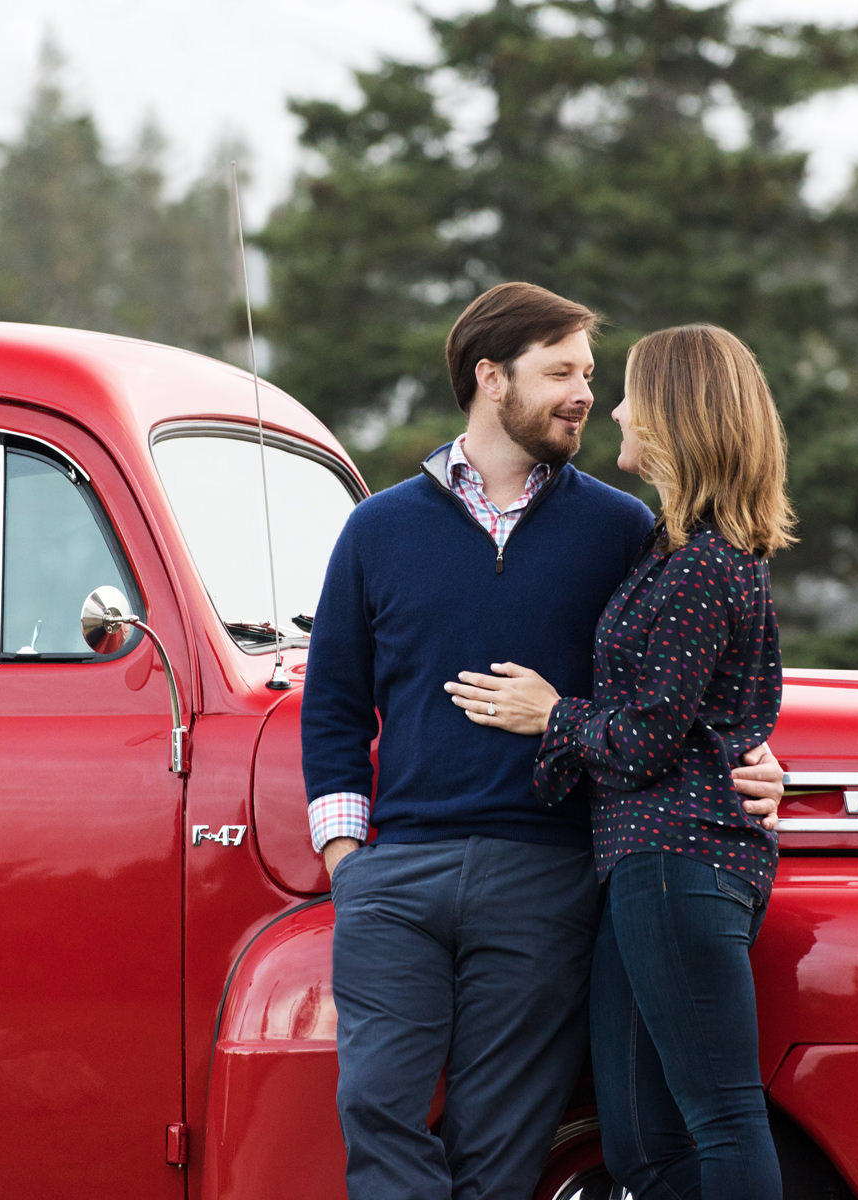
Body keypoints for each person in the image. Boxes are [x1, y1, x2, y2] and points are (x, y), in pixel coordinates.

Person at [301, 285, 782, 1200]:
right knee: (376, 1108)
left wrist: (754, 758)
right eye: (560, 372)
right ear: (491, 378)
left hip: (545, 871)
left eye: (591, 376)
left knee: (503, 1145)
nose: (584, 396)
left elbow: (689, 666)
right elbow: (331, 705)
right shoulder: (376, 529)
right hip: (397, 872)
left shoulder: (626, 530)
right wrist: (346, 857)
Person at [445, 324, 794, 1200]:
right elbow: (713, 717)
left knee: (720, 1117)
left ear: (681, 416)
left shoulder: (700, 569)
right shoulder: (668, 554)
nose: (617, 409)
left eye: (634, 391)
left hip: (680, 861)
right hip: (645, 864)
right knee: (641, 1142)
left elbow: (645, 739)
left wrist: (548, 714)